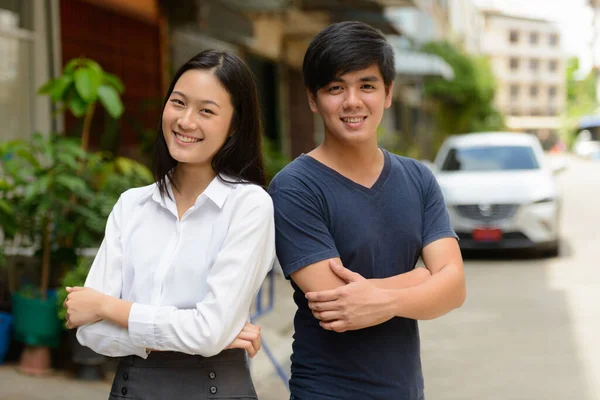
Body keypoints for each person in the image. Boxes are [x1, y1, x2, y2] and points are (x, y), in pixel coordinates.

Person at [268, 21, 466, 400]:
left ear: (388, 93)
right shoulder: (295, 187)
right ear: (312, 98)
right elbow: (339, 307)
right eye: (335, 88)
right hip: (327, 392)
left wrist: (388, 298)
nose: (352, 101)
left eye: (367, 85)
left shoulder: (418, 178)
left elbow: (454, 289)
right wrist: (421, 278)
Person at [63, 50, 274, 400]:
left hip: (215, 389)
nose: (186, 121)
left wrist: (107, 307)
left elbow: (207, 332)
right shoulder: (132, 205)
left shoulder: (248, 206)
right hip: (132, 390)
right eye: (178, 103)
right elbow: (90, 334)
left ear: (235, 124)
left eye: (206, 110)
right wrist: (206, 337)